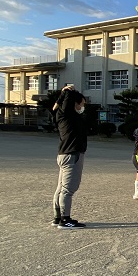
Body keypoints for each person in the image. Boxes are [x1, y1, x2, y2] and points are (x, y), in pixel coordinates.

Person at [51, 85, 87, 229]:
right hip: (72, 155)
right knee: (68, 189)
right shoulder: (68, 114)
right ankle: (65, 220)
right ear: (74, 103)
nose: (83, 107)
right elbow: (64, 103)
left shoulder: (60, 114)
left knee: (61, 188)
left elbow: (55, 107)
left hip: (64, 154)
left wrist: (62, 94)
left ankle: (57, 217)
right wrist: (67, 92)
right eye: (82, 104)